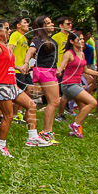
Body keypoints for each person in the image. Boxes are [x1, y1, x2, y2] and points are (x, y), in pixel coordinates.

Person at [0, 22, 43, 155]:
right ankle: (1, 145)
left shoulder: (5, 46)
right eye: (6, 28)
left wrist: (19, 68)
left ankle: (32, 137)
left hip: (11, 84)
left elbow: (5, 64)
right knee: (8, 115)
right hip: (0, 85)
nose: (9, 30)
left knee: (31, 105)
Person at [24, 15, 61, 144]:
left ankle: (47, 131)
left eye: (51, 22)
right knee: (54, 101)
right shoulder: (38, 40)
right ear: (42, 26)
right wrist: (25, 63)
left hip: (49, 71)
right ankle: (46, 132)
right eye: (48, 23)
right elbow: (30, 51)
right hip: (44, 71)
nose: (51, 25)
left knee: (53, 101)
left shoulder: (48, 39)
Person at [58, 33, 98, 138]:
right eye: (79, 39)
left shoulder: (81, 53)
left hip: (77, 84)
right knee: (92, 102)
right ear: (72, 41)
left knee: (83, 107)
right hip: (69, 84)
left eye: (83, 39)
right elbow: (61, 67)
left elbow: (86, 70)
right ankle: (75, 125)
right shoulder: (69, 54)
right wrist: (58, 72)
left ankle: (75, 130)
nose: (82, 41)